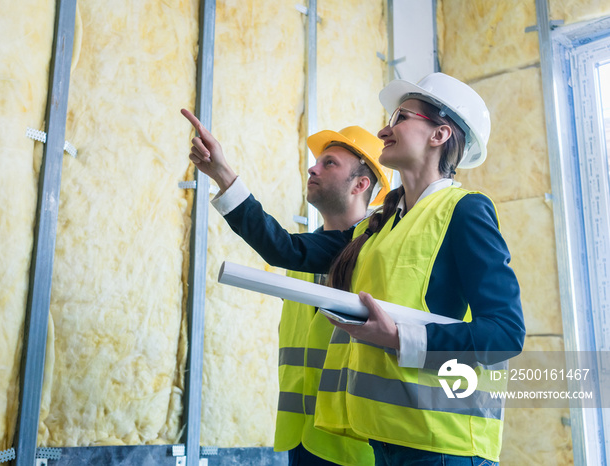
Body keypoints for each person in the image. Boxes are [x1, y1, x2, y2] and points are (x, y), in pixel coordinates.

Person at [182, 71, 524, 464]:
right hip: (386, 438)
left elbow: (504, 335)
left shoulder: (463, 211)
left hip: (443, 446)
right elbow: (287, 250)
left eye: (400, 118)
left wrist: (399, 338)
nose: (384, 129)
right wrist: (222, 173)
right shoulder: (375, 226)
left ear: (439, 134)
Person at [181, 109, 390, 465]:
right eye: (316, 162)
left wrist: (223, 173)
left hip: (351, 443)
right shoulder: (315, 249)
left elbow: (281, 248)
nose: (313, 169)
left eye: (330, 164)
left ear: (360, 184)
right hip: (303, 437)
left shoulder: (373, 249)